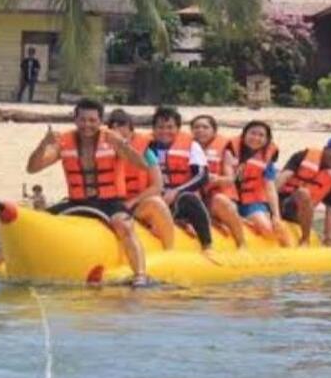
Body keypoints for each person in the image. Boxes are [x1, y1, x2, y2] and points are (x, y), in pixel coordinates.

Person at [26, 98, 151, 286]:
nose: (87, 125)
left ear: (100, 121)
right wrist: (44, 144)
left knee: (124, 226)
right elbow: (33, 168)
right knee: (32, 221)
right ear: (75, 120)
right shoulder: (63, 142)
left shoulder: (111, 139)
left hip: (109, 202)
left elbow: (142, 165)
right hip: (77, 201)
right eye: (83, 120)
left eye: (92, 120)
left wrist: (122, 144)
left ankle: (140, 275)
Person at [106, 108, 175, 250]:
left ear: (132, 131)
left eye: (123, 128)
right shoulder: (101, 151)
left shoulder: (146, 152)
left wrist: (133, 201)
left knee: (156, 203)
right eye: (114, 128)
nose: (118, 131)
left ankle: (170, 250)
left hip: (137, 205)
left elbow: (157, 185)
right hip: (108, 204)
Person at [150, 106, 213, 251]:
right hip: (153, 197)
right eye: (160, 127)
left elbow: (202, 176)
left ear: (178, 129)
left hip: (180, 198)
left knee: (188, 198)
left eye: (170, 127)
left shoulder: (192, 145)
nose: (165, 131)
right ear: (153, 129)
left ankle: (207, 244)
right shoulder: (147, 147)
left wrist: (176, 191)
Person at [276, 137, 331, 246]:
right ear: (325, 149)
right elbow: (283, 178)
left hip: (297, 214)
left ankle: (305, 240)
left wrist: (328, 240)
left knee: (303, 193)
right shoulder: (302, 157)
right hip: (280, 203)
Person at [226, 121, 290, 245]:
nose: (256, 138)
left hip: (252, 202)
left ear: (267, 139)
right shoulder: (229, 151)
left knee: (266, 228)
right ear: (244, 135)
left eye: (261, 135)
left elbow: (270, 188)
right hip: (229, 199)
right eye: (252, 133)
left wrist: (276, 215)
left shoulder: (266, 158)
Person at [190, 114, 246, 248]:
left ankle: (242, 243)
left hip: (220, 199)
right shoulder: (188, 149)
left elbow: (230, 179)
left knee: (219, 199)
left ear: (214, 131)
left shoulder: (225, 151)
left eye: (205, 127)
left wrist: (216, 179)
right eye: (196, 127)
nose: (200, 130)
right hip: (199, 199)